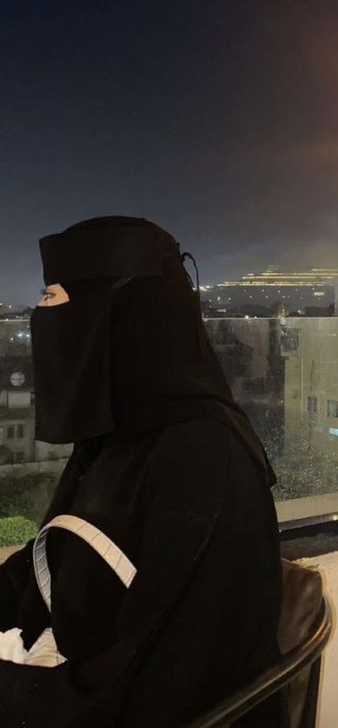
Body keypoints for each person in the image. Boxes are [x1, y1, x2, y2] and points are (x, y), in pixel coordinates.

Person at [0, 216, 284, 727]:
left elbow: (162, 678)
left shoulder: (204, 459)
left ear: (114, 314)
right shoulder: (120, 434)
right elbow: (55, 566)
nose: (41, 315)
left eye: (51, 297)